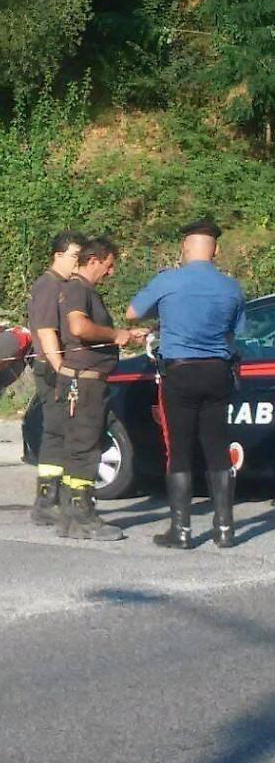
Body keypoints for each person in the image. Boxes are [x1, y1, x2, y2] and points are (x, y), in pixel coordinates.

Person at [127, 219, 247, 549]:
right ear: (216, 250)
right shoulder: (231, 287)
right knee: (216, 447)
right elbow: (236, 330)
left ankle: (181, 531)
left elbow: (132, 312)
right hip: (217, 371)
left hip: (179, 372)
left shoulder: (168, 280)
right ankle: (225, 529)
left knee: (178, 449)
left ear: (184, 246)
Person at [57, 237, 146, 541]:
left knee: (78, 447)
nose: (110, 273)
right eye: (109, 266)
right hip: (85, 382)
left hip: (82, 381)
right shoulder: (78, 289)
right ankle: (83, 516)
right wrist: (114, 332)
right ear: (94, 260)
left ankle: (70, 516)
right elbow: (79, 328)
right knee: (86, 448)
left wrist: (123, 335)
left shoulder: (80, 290)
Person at [27, 230, 87, 525]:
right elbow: (46, 331)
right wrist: (61, 368)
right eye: (75, 256)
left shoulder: (66, 286)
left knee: (64, 432)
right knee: (55, 433)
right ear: (58, 255)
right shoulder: (48, 286)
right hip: (52, 369)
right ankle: (46, 502)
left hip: (60, 367)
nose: (79, 262)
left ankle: (57, 498)